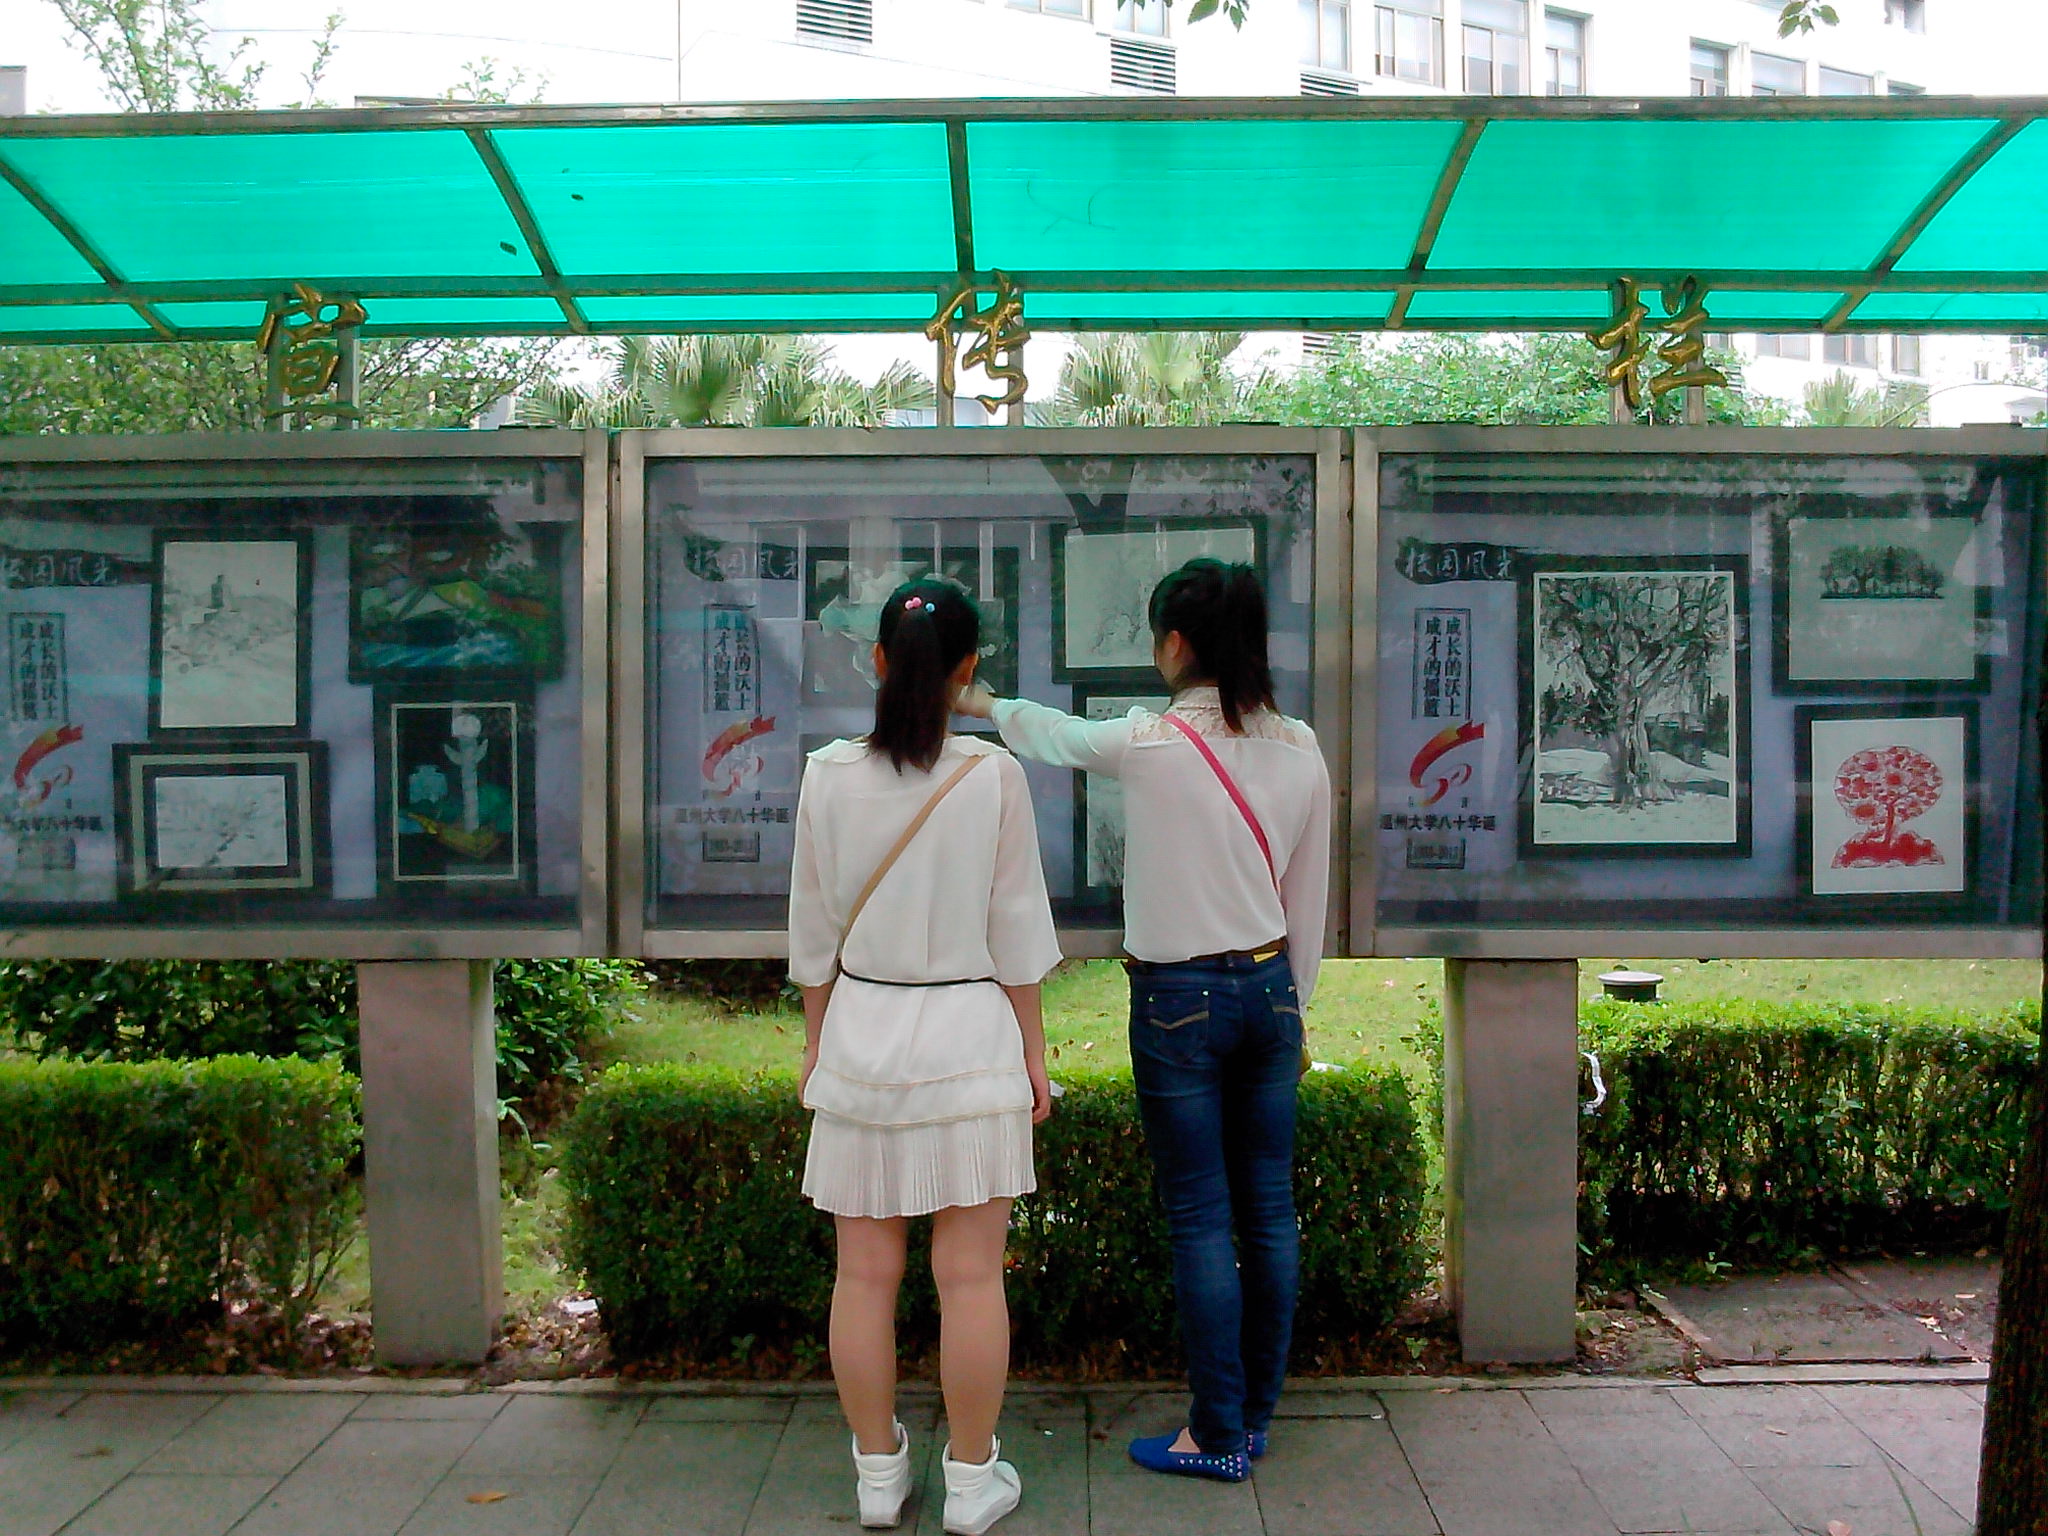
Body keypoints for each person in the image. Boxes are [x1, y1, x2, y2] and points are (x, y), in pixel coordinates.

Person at [959, 556, 1331, 1484]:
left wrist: (984, 702)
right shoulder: (1301, 747)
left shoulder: (1151, 740)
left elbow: (1054, 735)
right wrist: (1295, 1007)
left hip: (1176, 1002)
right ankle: (1252, 1419)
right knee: (1270, 1212)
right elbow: (1309, 901)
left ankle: (1215, 1435)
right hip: (1270, 991)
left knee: (1201, 1217)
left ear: (1174, 644)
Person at [789, 576, 1061, 1535]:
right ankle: (973, 1480)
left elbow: (813, 934)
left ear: (876, 660)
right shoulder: (992, 776)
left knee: (863, 1275)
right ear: (968, 669)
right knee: (971, 1277)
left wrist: (817, 1043)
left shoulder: (827, 775)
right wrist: (1034, 1053)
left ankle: (877, 1473)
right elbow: (1017, 930)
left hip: (862, 1032)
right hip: (970, 1037)